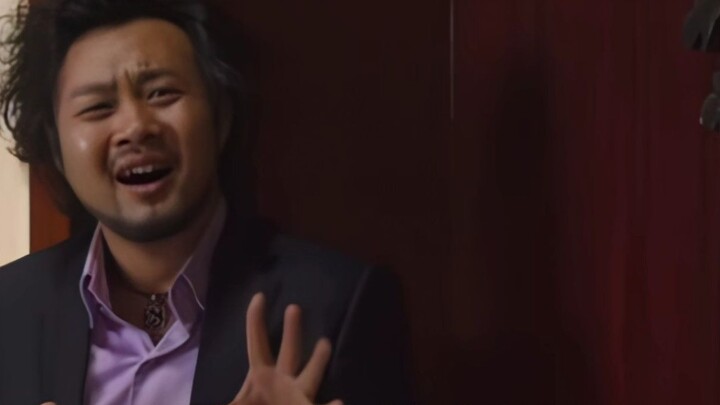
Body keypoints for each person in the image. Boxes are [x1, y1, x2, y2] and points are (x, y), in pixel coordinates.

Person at [0, 1, 413, 404]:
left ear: (222, 115)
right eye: (98, 107)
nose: (136, 127)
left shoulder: (337, 305)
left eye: (161, 93)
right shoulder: (11, 308)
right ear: (56, 146)